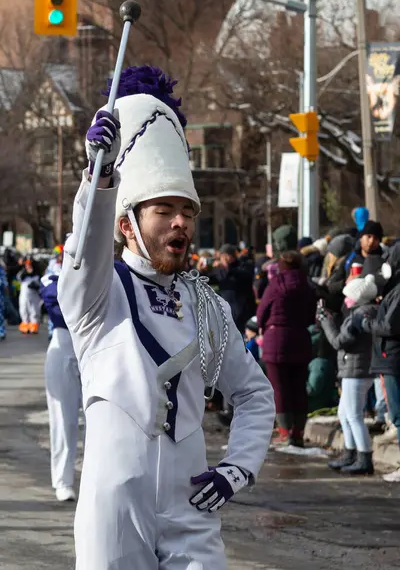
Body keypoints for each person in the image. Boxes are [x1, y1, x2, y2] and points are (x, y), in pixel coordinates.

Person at [58, 65, 275, 569]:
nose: (180, 221)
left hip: (191, 512)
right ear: (128, 224)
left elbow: (254, 394)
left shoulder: (209, 307)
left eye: (187, 211)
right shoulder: (98, 295)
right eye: (163, 209)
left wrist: (237, 469)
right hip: (114, 510)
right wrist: (99, 176)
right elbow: (85, 249)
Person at [318, 275, 378, 475]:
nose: (345, 300)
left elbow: (338, 341)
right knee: (344, 414)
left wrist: (326, 322)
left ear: (358, 297)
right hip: (354, 368)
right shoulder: (362, 312)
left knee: (353, 415)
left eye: (348, 296)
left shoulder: (360, 315)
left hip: (357, 370)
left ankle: (364, 457)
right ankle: (350, 452)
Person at [257, 251, 316, 447]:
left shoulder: (276, 284)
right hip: (300, 338)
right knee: (299, 387)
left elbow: (262, 311)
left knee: (279, 388)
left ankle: (284, 431)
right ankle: (298, 432)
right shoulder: (307, 286)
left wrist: (264, 325)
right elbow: (311, 315)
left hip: (276, 339)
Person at [356, 242, 400, 482]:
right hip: (390, 355)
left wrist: (367, 323)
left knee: (399, 413)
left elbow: (390, 325)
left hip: (392, 355)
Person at [40, 269, 82, 502]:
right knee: (63, 421)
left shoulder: (109, 272)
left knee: (104, 422)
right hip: (63, 345)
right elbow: (54, 297)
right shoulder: (52, 276)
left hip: (95, 351)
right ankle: (63, 481)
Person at [203, 243, 256, 334]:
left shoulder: (243, 265)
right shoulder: (220, 270)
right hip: (227, 315)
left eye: (223, 256)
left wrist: (227, 268)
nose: (221, 259)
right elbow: (207, 280)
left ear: (229, 256)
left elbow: (245, 276)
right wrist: (202, 271)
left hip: (243, 314)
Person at [17, 256, 42, 334]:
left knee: (34, 309)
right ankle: (25, 324)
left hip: (34, 295)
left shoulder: (37, 274)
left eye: (30, 265)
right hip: (24, 295)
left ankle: (34, 325)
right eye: (27, 265)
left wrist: (36, 285)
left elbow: (40, 283)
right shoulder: (22, 274)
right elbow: (19, 277)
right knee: (23, 308)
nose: (28, 266)